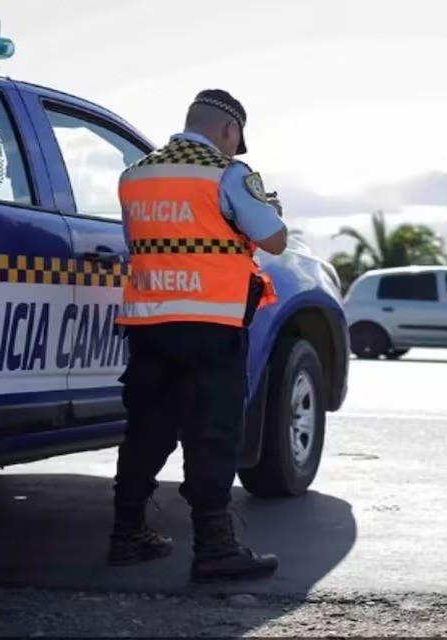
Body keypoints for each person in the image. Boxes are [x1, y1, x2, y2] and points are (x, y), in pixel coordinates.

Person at [108, 89, 288, 583]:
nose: (233, 148)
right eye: (235, 140)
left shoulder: (135, 175)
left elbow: (136, 240)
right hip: (211, 324)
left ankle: (126, 536)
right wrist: (266, 204)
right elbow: (274, 238)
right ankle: (214, 548)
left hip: (149, 321)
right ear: (229, 130)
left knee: (146, 430)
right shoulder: (228, 174)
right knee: (212, 433)